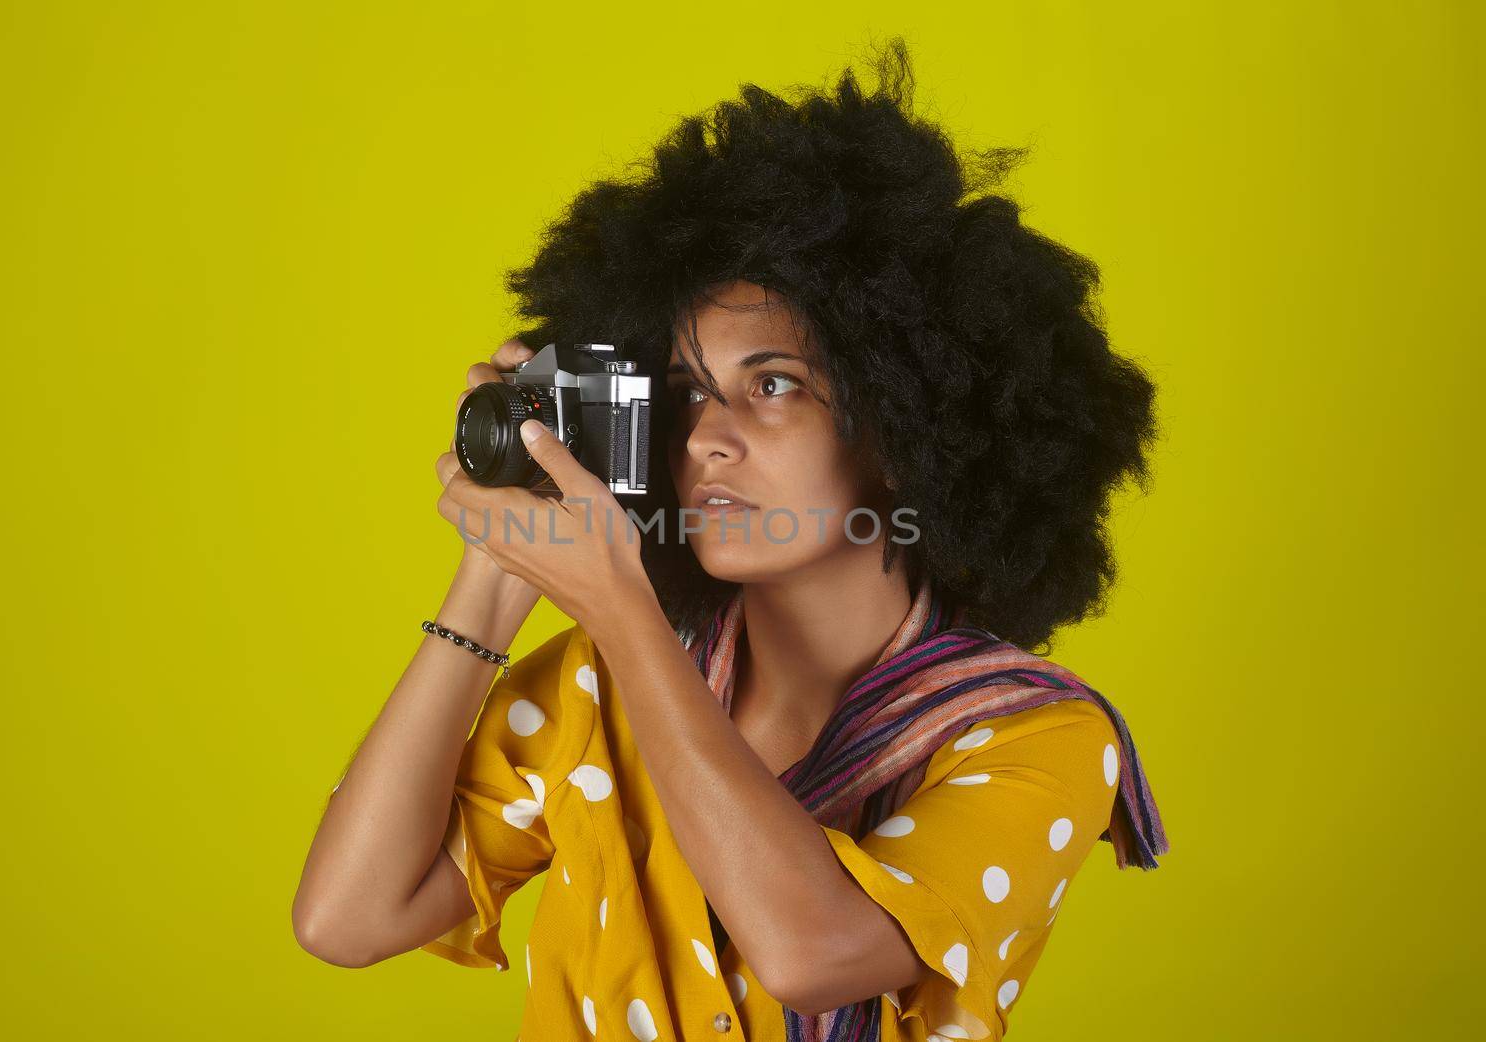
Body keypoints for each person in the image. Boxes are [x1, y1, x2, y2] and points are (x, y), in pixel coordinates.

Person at [293, 38, 1168, 1042]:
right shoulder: (596, 687)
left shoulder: (1036, 738)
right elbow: (348, 918)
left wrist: (621, 609)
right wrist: (490, 579)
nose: (705, 437)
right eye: (684, 393)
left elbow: (813, 954)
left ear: (900, 431)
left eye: (773, 385)